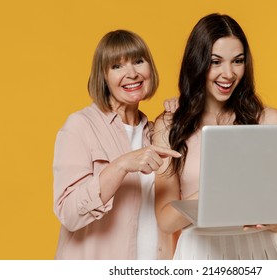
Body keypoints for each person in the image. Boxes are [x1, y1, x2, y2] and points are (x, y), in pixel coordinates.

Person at [153, 13, 277, 260]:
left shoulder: (268, 121)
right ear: (197, 63)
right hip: (199, 252)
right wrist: (215, 187)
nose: (228, 74)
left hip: (260, 248)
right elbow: (166, 220)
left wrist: (272, 221)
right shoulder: (169, 125)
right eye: (216, 61)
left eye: (237, 61)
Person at [53, 29, 181, 260]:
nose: (131, 73)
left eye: (138, 61)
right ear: (103, 77)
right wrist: (121, 165)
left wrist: (183, 116)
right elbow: (69, 213)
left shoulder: (156, 132)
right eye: (117, 66)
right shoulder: (80, 126)